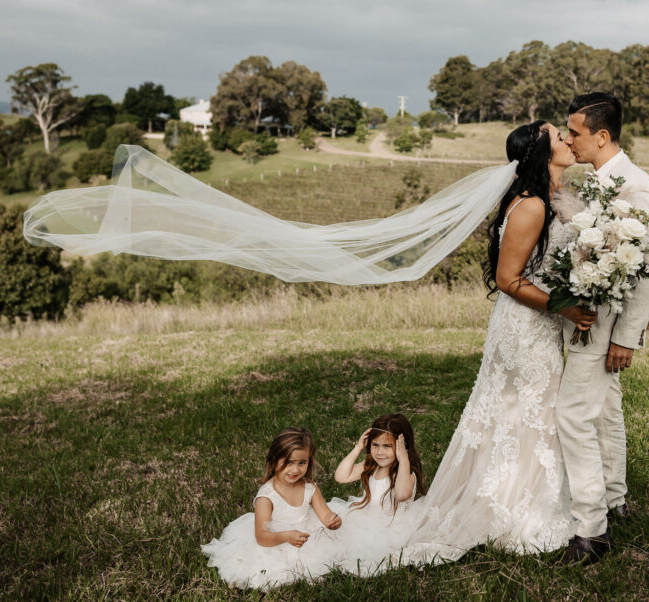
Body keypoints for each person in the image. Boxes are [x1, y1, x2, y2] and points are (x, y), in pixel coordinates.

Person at [401, 120, 596, 563]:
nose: (568, 140)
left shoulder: (553, 200)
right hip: (524, 328)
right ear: (542, 153)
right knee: (528, 411)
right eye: (559, 136)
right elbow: (509, 279)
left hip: (539, 323)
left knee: (529, 413)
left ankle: (516, 498)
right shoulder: (531, 206)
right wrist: (565, 307)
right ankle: (514, 512)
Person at [556, 92, 649, 564]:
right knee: (604, 411)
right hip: (589, 322)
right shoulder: (593, 181)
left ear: (602, 136)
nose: (568, 140)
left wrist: (625, 337)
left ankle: (591, 530)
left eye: (574, 132)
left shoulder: (637, 188)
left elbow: (648, 271)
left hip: (607, 327)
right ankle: (615, 497)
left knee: (573, 416)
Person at [201, 427, 343, 589]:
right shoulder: (267, 496)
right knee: (271, 570)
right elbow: (262, 537)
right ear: (274, 460)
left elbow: (325, 514)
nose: (295, 469)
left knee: (335, 551)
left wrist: (333, 521)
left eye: (302, 462)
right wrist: (286, 537)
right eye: (289, 462)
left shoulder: (310, 487)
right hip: (275, 540)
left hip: (306, 533)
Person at [327, 412, 426, 575]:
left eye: (387, 446)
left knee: (364, 550)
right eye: (375, 445)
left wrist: (403, 460)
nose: (380, 452)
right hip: (365, 516)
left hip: (391, 526)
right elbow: (341, 476)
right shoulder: (371, 466)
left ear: (402, 447)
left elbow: (402, 495)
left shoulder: (406, 472)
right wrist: (358, 447)